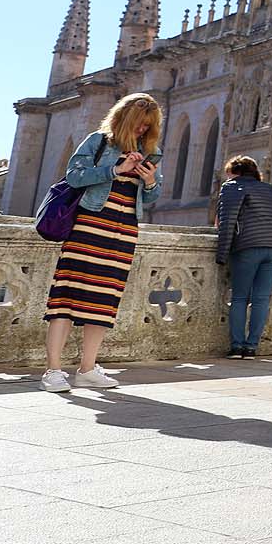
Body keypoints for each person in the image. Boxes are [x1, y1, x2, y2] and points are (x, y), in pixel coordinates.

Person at [41, 93, 163, 392]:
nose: (142, 131)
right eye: (138, 124)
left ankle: (87, 370)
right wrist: (115, 170)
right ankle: (53, 371)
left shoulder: (149, 152)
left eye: (148, 126)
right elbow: (74, 176)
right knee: (65, 300)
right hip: (89, 227)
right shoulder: (98, 142)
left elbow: (149, 199)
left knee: (103, 304)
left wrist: (150, 182)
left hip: (124, 233)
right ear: (123, 118)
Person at [214, 155, 272, 359]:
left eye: (229, 174)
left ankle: (237, 346)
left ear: (236, 172)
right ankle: (251, 347)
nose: (227, 178)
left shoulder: (231, 187)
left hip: (248, 246)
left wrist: (222, 254)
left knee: (240, 297)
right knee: (261, 299)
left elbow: (227, 221)